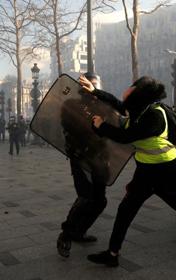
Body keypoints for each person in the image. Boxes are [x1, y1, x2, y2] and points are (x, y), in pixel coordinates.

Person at [84, 76, 176, 267]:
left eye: (131, 86)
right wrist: (94, 91)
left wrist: (102, 126)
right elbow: (118, 104)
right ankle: (112, 254)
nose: (127, 89)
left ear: (138, 93)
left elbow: (126, 136)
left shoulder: (155, 116)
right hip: (145, 172)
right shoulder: (139, 109)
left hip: (166, 172)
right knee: (126, 210)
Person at [57, 72, 109, 258]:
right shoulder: (71, 106)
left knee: (100, 200)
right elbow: (70, 128)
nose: (92, 88)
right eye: (90, 84)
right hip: (81, 158)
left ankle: (80, 231)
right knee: (85, 197)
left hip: (99, 158)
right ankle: (67, 234)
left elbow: (110, 131)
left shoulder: (104, 107)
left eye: (95, 84)